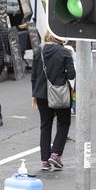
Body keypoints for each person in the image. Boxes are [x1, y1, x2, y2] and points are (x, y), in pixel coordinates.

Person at [31, 32, 76, 171]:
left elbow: (33, 76)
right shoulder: (65, 52)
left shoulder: (39, 51)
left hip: (41, 93)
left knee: (45, 125)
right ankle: (55, 154)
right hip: (59, 93)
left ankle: (44, 160)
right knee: (63, 122)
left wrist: (34, 95)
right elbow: (71, 74)